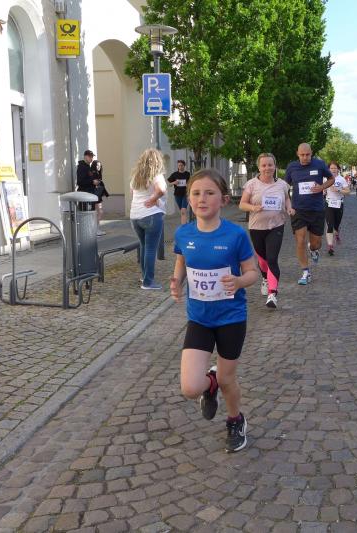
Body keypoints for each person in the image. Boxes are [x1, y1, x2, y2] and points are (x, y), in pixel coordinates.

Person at [170, 168, 259, 453]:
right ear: (189, 199)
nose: (202, 199)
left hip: (231, 318)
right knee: (189, 388)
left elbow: (252, 272)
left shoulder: (235, 235)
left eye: (209, 193)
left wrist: (239, 281)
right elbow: (182, 263)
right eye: (196, 193)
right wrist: (176, 282)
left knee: (227, 379)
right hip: (199, 318)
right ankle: (209, 385)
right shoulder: (183, 233)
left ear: (223, 199)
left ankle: (235, 420)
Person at [239, 153, 294, 308]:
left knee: (272, 259)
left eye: (270, 165)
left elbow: (287, 198)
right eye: (264, 165)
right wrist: (253, 208)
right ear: (259, 167)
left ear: (275, 166)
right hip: (256, 227)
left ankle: (272, 293)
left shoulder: (282, 184)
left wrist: (289, 208)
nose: (267, 168)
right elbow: (242, 204)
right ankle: (265, 278)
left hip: (276, 225)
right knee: (263, 261)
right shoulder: (251, 184)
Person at [284, 143, 334, 285]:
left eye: (308, 155)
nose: (305, 157)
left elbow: (331, 179)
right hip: (298, 210)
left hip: (316, 209)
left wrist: (321, 187)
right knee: (300, 241)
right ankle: (305, 272)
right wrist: (288, 205)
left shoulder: (319, 164)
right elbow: (284, 187)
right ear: (297, 154)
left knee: (316, 243)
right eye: (302, 155)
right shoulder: (292, 167)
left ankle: (313, 250)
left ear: (311, 153)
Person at [129, 148, 167, 289]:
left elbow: (132, 194)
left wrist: (148, 199)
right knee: (151, 249)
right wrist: (152, 199)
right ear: (157, 160)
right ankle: (148, 282)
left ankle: (144, 276)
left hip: (135, 216)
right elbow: (161, 190)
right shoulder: (156, 174)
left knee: (144, 246)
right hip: (151, 215)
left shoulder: (135, 176)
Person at [76, 149, 108, 236]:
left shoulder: (88, 167)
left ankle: (95, 230)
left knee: (97, 212)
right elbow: (80, 182)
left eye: (92, 156)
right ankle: (92, 230)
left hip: (91, 193)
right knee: (91, 213)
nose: (91, 158)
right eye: (90, 156)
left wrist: (96, 181)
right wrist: (92, 182)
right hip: (86, 194)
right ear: (85, 156)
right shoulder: (82, 167)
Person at [324, 161, 349, 256]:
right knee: (329, 225)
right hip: (329, 203)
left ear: (338, 169)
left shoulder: (341, 179)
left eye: (335, 168)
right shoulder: (325, 179)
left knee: (336, 225)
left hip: (339, 204)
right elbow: (322, 190)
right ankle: (330, 246)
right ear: (328, 169)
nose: (333, 170)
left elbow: (348, 192)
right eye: (331, 168)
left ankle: (337, 232)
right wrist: (323, 191)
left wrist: (338, 190)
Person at [167, 159, 191, 225]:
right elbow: (169, 184)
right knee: (182, 210)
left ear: (184, 166)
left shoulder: (187, 174)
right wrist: (174, 182)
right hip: (177, 194)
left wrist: (188, 184)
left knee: (183, 209)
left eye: (181, 165)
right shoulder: (175, 174)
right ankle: (185, 221)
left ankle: (184, 225)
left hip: (186, 194)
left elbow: (191, 182)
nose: (180, 167)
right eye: (179, 165)